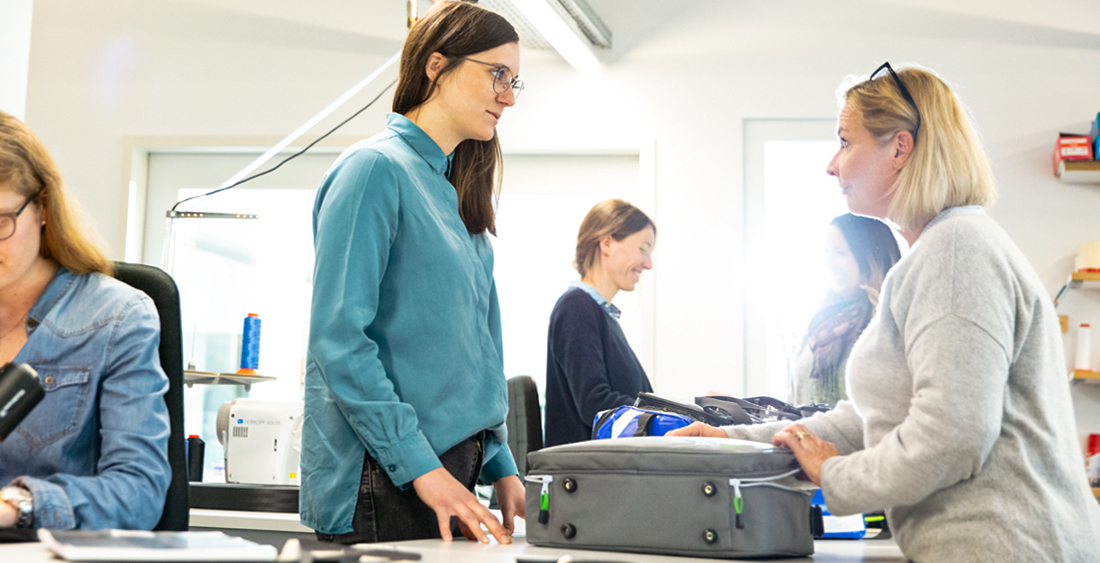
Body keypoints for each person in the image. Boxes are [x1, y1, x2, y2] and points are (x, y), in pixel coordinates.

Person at [672, 63, 1100, 561]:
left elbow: (953, 437)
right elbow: (868, 421)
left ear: (899, 148)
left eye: (845, 142)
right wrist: (730, 440)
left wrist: (835, 474)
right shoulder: (937, 253)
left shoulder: (957, 251)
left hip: (1006, 546)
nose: (832, 165)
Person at [301, 1, 525, 545]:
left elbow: (476, 355)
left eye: (516, 81)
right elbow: (339, 342)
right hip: (390, 474)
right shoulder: (374, 169)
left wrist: (500, 462)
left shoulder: (458, 197)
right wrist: (423, 471)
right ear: (436, 65)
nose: (509, 96)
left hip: (450, 468)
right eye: (498, 74)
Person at [0, 111, 171, 530]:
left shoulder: (115, 317)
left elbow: (139, 493)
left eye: (0, 223)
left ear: (41, 207)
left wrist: (16, 505)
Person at [544, 199, 655, 447]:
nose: (648, 264)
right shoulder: (577, 308)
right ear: (607, 243)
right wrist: (677, 416)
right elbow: (595, 404)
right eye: (643, 249)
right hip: (589, 476)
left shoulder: (598, 314)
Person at [789, 213, 900, 408]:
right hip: (802, 436)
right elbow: (793, 400)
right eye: (826, 252)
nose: (828, 263)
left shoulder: (890, 324)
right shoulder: (820, 322)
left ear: (869, 258)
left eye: (840, 253)